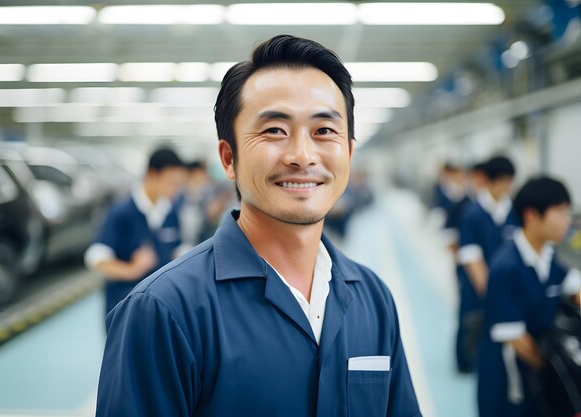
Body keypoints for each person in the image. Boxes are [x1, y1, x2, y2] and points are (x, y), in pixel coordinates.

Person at [96, 35, 421, 417]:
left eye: (324, 131)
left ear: (348, 154)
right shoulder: (164, 311)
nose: (302, 156)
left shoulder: (373, 299)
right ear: (228, 157)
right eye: (274, 131)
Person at [477, 176, 581, 417]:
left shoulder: (548, 257)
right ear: (532, 215)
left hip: (536, 381)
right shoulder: (506, 267)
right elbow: (518, 342)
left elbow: (574, 286)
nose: (567, 221)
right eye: (560, 212)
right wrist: (559, 373)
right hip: (509, 384)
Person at [84, 148, 187, 320]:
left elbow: (178, 247)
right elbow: (96, 258)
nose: (175, 190)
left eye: (178, 185)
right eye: (171, 183)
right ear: (152, 174)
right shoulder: (121, 212)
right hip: (124, 308)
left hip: (160, 307)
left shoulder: (170, 211)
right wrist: (132, 270)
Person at [455, 156, 518, 373]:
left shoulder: (515, 212)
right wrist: (493, 295)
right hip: (479, 290)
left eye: (510, 181)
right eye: (503, 181)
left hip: (507, 292)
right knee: (472, 333)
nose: (508, 186)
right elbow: (472, 259)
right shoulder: (473, 213)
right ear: (490, 181)